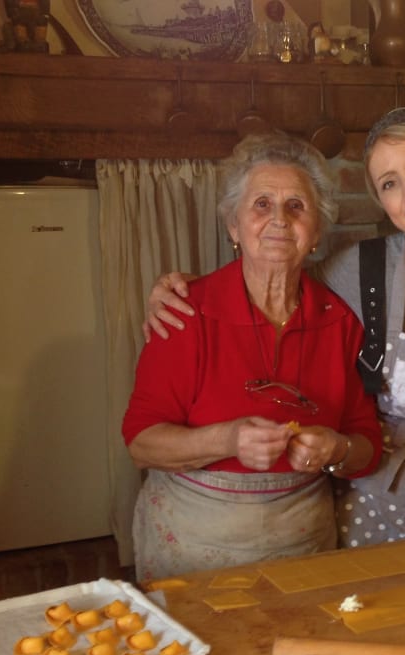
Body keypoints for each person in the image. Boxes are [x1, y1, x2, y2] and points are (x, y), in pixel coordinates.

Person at [142, 108, 405, 549]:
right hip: (378, 505)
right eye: (389, 183)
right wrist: (179, 288)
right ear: (381, 200)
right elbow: (273, 274)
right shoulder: (359, 271)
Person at [122, 131, 383, 582]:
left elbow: (367, 445)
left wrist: (336, 448)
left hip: (304, 541)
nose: (279, 219)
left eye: (296, 207)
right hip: (192, 545)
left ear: (316, 231)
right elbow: (141, 443)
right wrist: (227, 440)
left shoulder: (339, 319)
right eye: (261, 204)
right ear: (233, 227)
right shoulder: (186, 311)